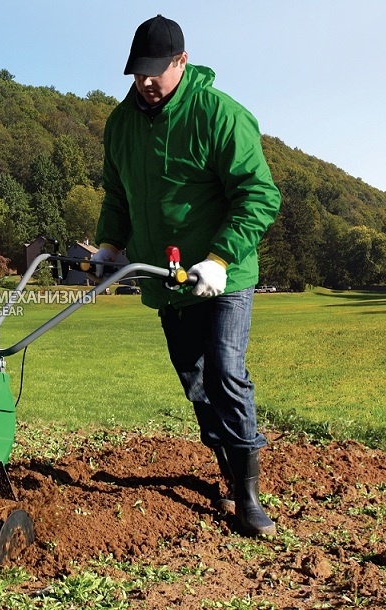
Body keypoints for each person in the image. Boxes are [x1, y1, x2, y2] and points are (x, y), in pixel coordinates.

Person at [91, 15, 281, 536]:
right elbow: (117, 194)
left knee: (224, 374)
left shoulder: (219, 114)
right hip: (165, 281)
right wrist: (109, 244)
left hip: (223, 277)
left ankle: (247, 498)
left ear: (182, 61)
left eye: (156, 71)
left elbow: (259, 195)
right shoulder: (120, 123)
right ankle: (227, 469)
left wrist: (219, 258)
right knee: (197, 387)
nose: (145, 83)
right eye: (137, 73)